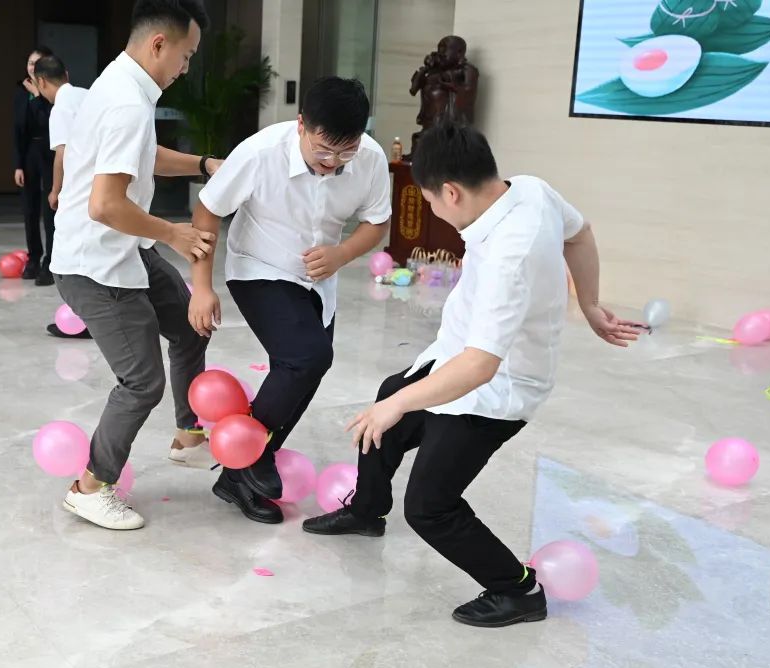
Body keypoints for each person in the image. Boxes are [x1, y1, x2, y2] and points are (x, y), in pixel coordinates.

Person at [303, 122, 642, 628]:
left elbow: (482, 367)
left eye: (430, 201)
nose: (433, 211)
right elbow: (581, 233)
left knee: (429, 506)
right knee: (389, 399)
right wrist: (590, 305)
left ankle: (518, 590)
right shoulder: (530, 189)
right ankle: (366, 512)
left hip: (496, 392)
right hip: (455, 356)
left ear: (452, 192)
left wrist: (399, 405)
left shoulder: (510, 254)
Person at [50, 0, 222, 531]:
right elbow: (105, 205)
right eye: (186, 56)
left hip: (125, 251)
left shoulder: (120, 86)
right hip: (95, 266)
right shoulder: (126, 101)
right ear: (159, 44)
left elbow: (143, 155)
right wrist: (173, 233)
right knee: (142, 381)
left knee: (190, 326)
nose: (186, 69)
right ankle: (90, 488)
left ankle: (188, 436)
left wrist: (202, 164)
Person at [189, 77, 392, 524]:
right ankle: (252, 455)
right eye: (323, 150)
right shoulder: (259, 153)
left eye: (345, 152)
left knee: (307, 370)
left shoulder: (371, 158)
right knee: (307, 356)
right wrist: (202, 286)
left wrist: (342, 253)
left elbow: (377, 223)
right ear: (301, 124)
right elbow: (208, 210)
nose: (332, 163)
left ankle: (238, 474)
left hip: (319, 278)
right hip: (259, 267)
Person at [32, 54, 93, 338]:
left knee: (70, 261)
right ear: (66, 75)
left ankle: (83, 320)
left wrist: (55, 190)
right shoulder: (86, 95)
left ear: (41, 82)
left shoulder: (60, 108)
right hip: (102, 186)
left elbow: (62, 154)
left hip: (79, 192)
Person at [13, 45, 57, 286]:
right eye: (30, 63)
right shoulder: (21, 92)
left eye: (38, 63)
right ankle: (33, 258)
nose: (33, 68)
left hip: (50, 153)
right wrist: (18, 164)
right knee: (29, 209)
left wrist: (39, 96)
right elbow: (17, 131)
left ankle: (50, 263)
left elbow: (51, 121)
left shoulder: (53, 92)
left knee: (50, 209)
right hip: (30, 153)